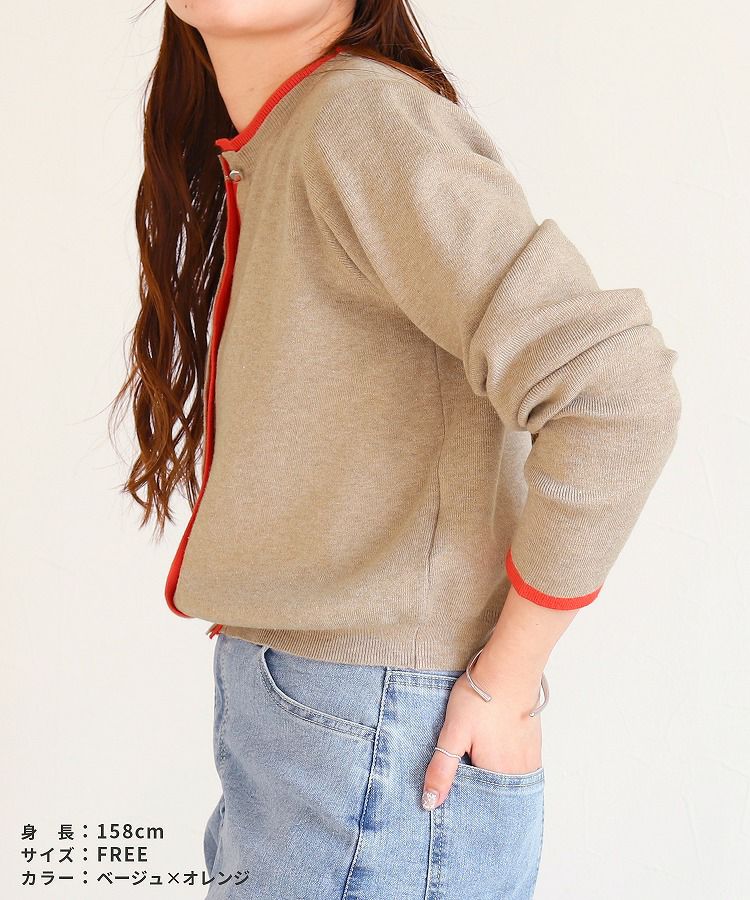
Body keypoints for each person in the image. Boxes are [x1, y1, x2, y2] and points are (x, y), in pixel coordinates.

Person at [109, 2, 682, 897]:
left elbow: (615, 392)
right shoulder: (300, 131)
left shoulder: (356, 119)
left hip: (374, 735)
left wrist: (509, 677)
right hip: (332, 724)